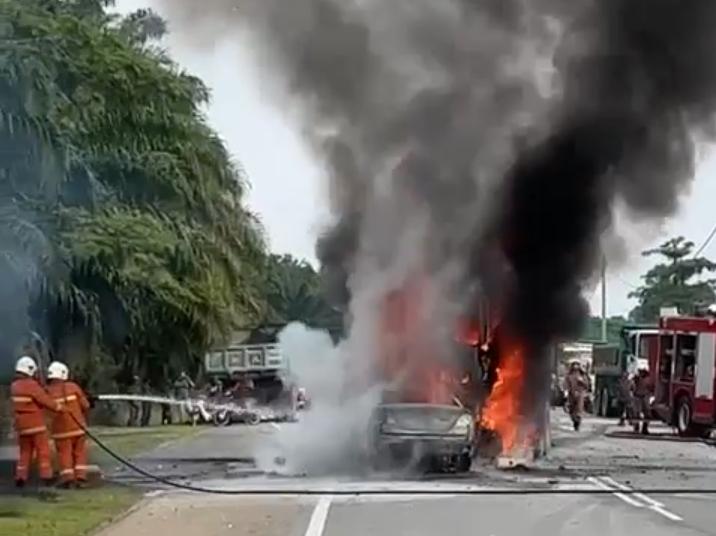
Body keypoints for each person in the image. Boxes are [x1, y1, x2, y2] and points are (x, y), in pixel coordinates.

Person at [11, 356, 64, 488]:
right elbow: (44, 400)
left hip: (21, 425)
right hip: (35, 424)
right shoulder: (31, 385)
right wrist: (59, 407)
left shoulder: (14, 386)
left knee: (24, 453)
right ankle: (46, 476)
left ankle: (20, 477)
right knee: (43, 451)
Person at [46, 361, 91, 488]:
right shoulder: (73, 387)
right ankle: (81, 478)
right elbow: (86, 406)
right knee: (80, 452)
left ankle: (68, 479)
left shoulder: (46, 391)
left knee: (64, 454)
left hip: (61, 432)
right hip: (78, 428)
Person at [564, 360, 591, 431]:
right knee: (571, 409)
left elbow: (587, 385)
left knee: (579, 409)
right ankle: (574, 420)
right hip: (571, 394)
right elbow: (566, 384)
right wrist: (566, 392)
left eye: (577, 364)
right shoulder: (569, 375)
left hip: (580, 394)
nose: (576, 366)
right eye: (574, 364)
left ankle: (577, 423)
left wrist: (582, 382)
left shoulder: (583, 375)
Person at [632, 367, 652, 435]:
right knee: (637, 413)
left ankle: (644, 428)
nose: (641, 373)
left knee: (647, 414)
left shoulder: (648, 379)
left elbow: (651, 388)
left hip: (645, 397)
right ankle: (636, 427)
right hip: (638, 397)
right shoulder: (637, 379)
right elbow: (632, 386)